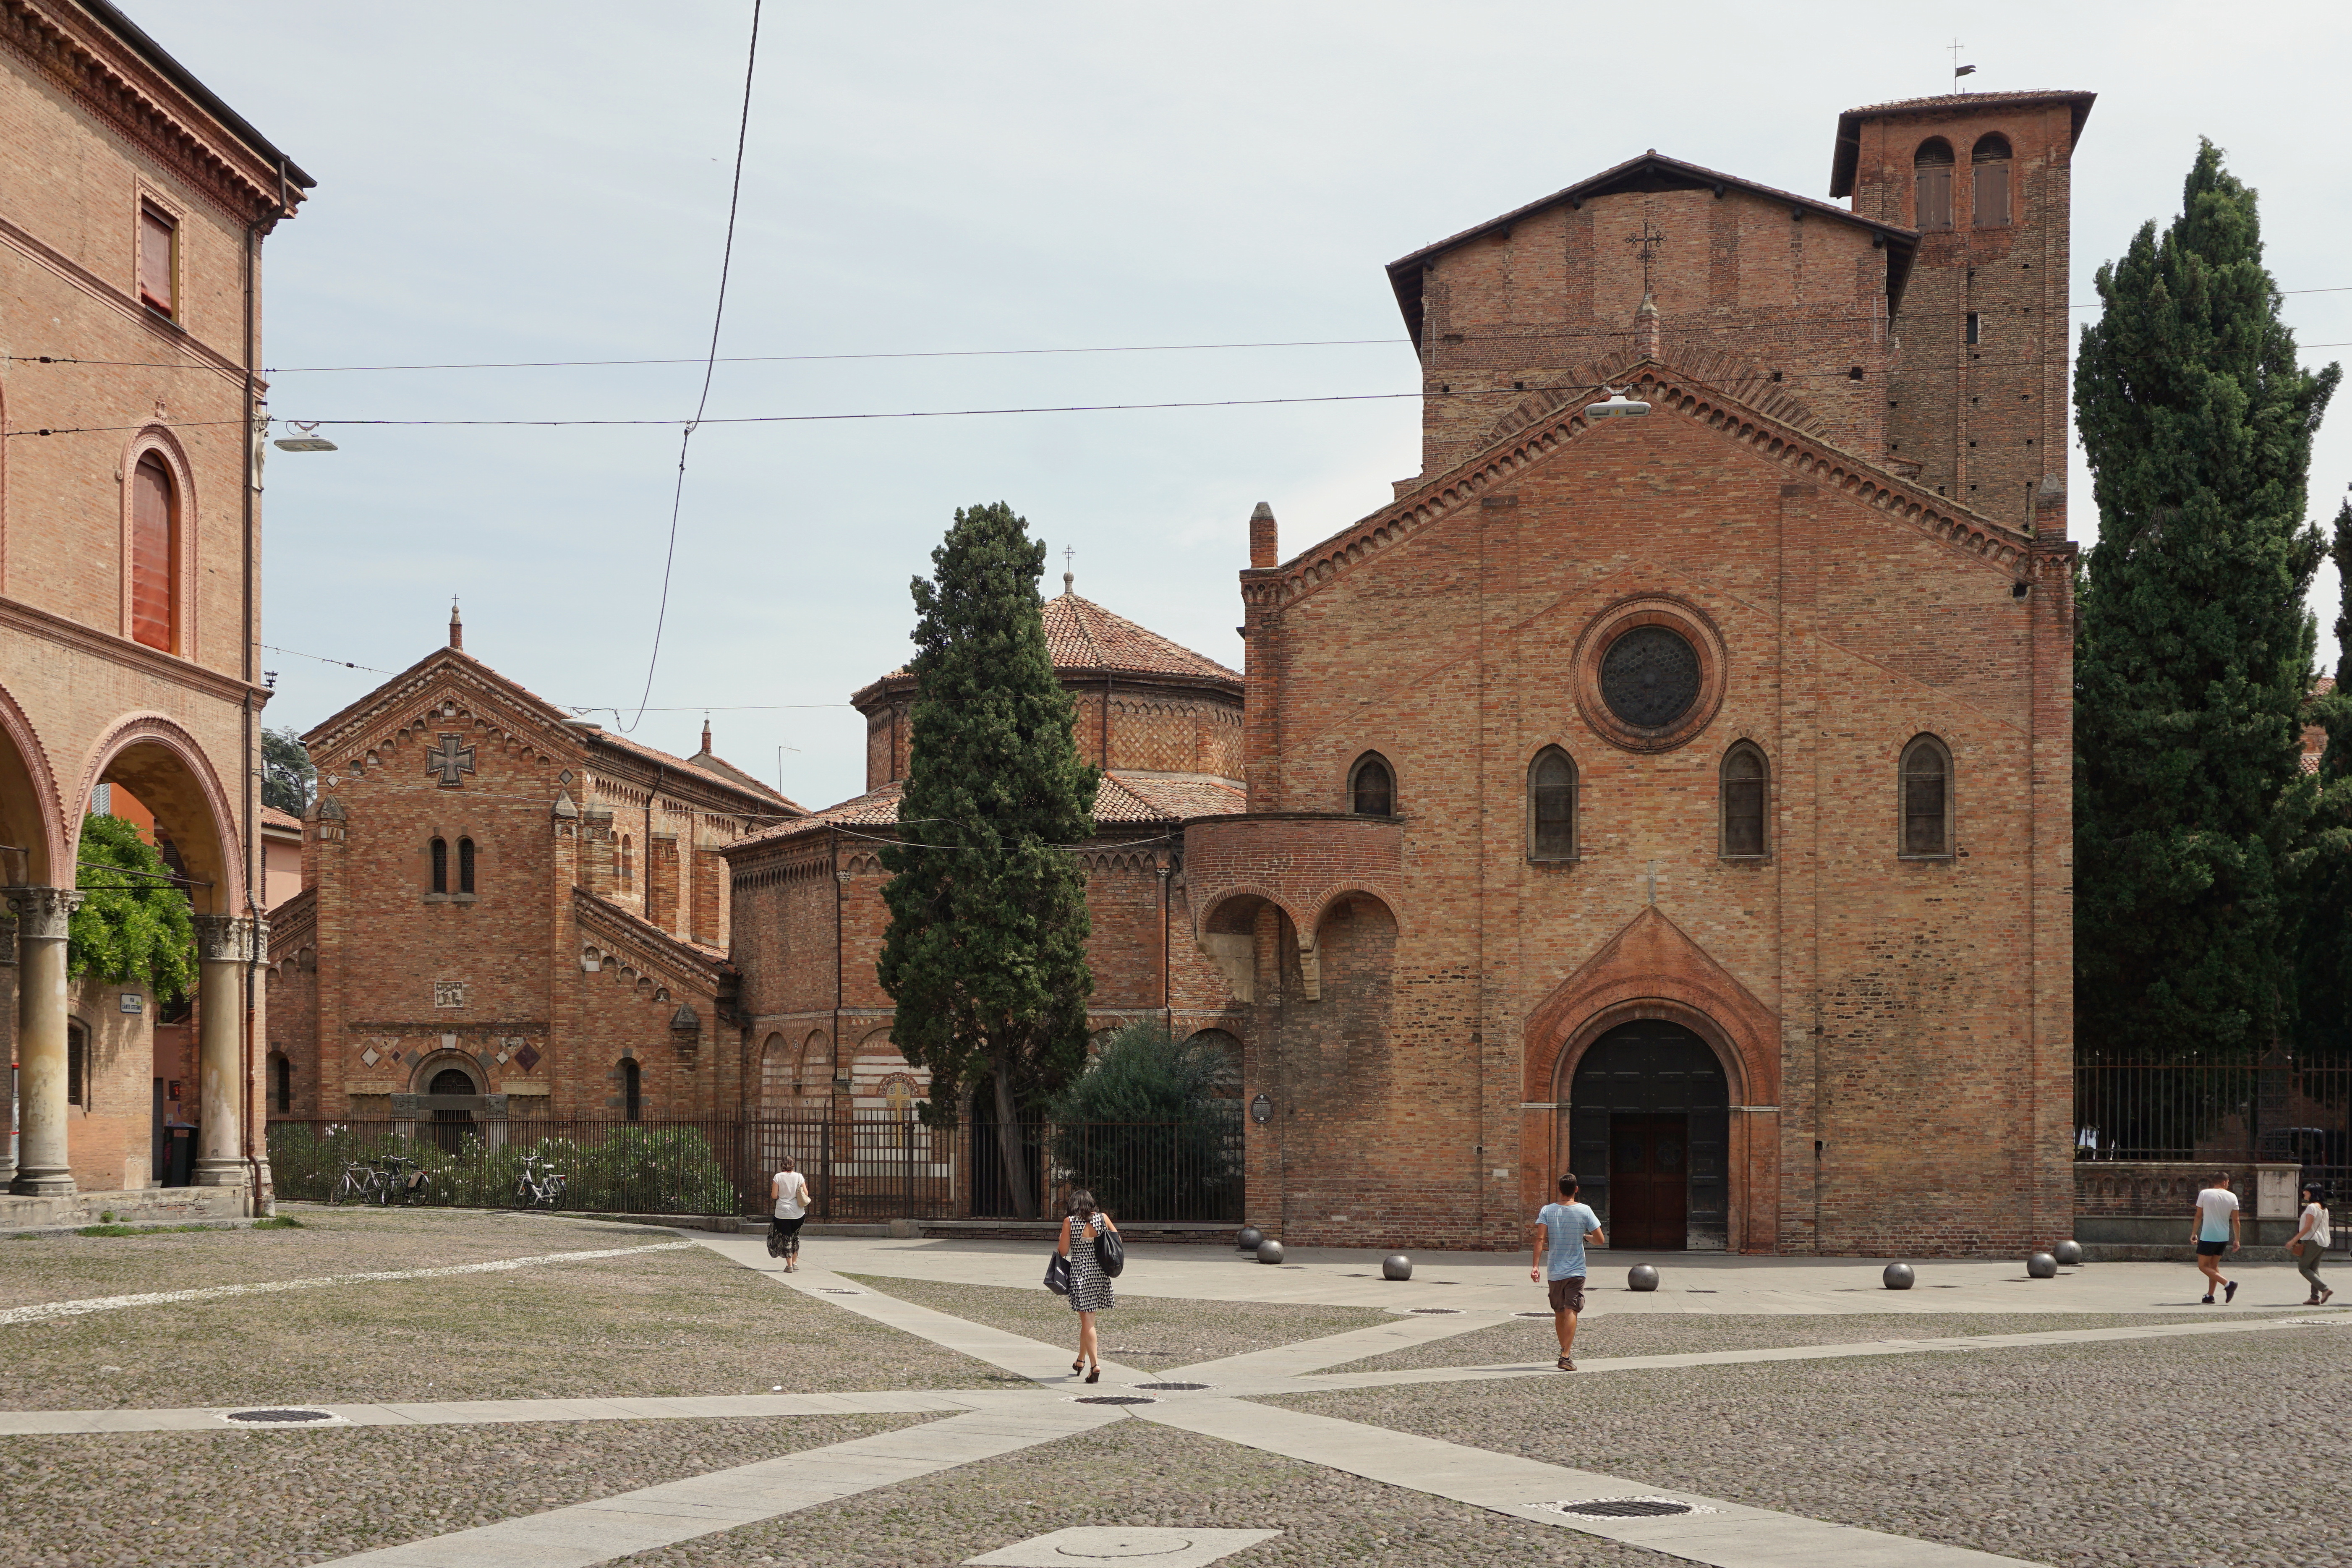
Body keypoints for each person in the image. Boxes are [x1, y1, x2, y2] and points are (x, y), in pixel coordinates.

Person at [1530, 1172, 1605, 1372]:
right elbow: (1600, 1240)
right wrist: (1585, 1237)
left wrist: (1536, 1266)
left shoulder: (1547, 1210)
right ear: (1576, 1190)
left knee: (1559, 1311)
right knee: (1572, 1310)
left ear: (1559, 1190)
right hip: (1576, 1270)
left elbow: (1540, 1239)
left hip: (1554, 1270)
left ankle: (1565, 1352)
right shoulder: (1585, 1211)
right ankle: (1565, 1354)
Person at [1058, 1187, 1119, 1383]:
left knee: (1088, 1322)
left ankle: (1095, 1366)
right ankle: (1080, 1360)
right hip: (1099, 1273)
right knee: (1088, 1321)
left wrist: (1062, 1239)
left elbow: (1063, 1251)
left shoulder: (1070, 1222)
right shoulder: (1103, 1218)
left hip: (1080, 1274)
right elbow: (1117, 1240)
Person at [2191, 1170, 2241, 1304]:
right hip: (2223, 1237)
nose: (2228, 1185)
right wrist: (2237, 1239)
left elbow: (2198, 1216)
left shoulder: (2204, 1194)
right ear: (2224, 1182)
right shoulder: (2232, 1197)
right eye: (2228, 1182)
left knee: (2203, 1266)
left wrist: (2194, 1233)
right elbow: (2236, 1220)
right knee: (2213, 1267)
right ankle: (2210, 1296)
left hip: (2208, 1235)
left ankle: (2228, 1284)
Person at [2289, 1180, 2332, 1306]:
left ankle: (2325, 1289)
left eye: (2306, 1191)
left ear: (2312, 1193)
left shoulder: (2312, 1207)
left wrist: (2293, 1241)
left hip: (2312, 1241)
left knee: (2303, 1268)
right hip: (2323, 1241)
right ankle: (2314, 1298)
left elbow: (2307, 1227)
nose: (2304, 1193)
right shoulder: (2324, 1208)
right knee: (2313, 1269)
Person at [769, 1156, 811, 1273]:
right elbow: (806, 1193)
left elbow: (774, 1195)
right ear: (794, 1165)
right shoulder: (799, 1177)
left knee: (787, 1238)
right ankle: (795, 1262)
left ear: (782, 1165)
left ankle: (789, 1266)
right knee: (796, 1237)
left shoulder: (778, 1177)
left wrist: (783, 1196)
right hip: (798, 1212)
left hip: (783, 1212)